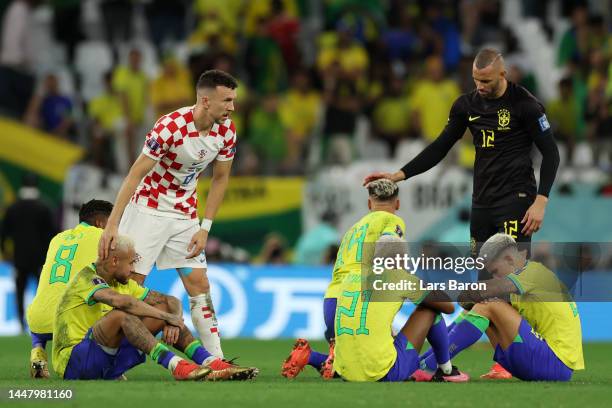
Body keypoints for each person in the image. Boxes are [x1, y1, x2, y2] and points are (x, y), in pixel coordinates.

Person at [364, 48, 562, 377]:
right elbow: (441, 146)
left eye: (486, 81)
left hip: (517, 198)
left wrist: (541, 200)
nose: (480, 86)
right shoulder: (466, 106)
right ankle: (503, 361)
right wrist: (400, 174)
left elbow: (551, 153)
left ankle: (507, 358)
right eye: (475, 80)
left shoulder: (525, 104)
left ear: (503, 75)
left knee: (509, 282)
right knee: (482, 286)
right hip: (481, 204)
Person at [99, 69, 238, 359]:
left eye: (233, 100)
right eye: (226, 101)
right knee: (129, 286)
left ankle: (217, 360)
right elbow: (136, 173)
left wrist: (205, 228)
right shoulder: (170, 126)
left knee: (200, 285)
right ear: (205, 100)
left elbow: (220, 179)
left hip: (185, 216)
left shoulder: (227, 131)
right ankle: (103, 355)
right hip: (147, 210)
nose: (232, 107)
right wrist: (113, 224)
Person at [281, 179, 467, 382]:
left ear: (369, 204)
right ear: (397, 204)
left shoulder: (353, 229)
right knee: (423, 314)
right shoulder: (392, 222)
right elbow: (388, 247)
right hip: (368, 293)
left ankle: (315, 357)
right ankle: (445, 369)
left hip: (336, 298)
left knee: (357, 351)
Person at [53, 234, 257, 381]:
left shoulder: (122, 282)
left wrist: (173, 320)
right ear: (114, 260)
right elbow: (122, 303)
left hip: (104, 361)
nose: (134, 269)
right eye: (131, 263)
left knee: (158, 310)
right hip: (74, 362)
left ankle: (209, 361)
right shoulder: (86, 278)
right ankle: (177, 366)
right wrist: (167, 316)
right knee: (122, 315)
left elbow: (170, 300)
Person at [419, 233, 584, 381]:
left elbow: (480, 293)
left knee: (489, 304)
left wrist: (470, 294)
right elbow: (472, 299)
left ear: (509, 259)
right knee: (482, 306)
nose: (494, 276)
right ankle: (423, 362)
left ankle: (430, 365)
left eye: (496, 271)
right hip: (545, 361)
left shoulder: (534, 273)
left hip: (555, 364)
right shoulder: (525, 282)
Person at [27, 199, 113, 378]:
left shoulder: (57, 238)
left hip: (37, 320)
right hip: (69, 325)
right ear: (100, 223)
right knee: (112, 305)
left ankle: (38, 353)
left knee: (46, 305)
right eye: (112, 223)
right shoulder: (101, 238)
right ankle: (112, 368)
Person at [0, 173, 56, 334]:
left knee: (20, 290)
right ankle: (44, 324)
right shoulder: (44, 207)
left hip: (19, 258)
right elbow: (52, 235)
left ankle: (21, 325)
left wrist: (5, 253)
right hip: (41, 259)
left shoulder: (13, 208)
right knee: (43, 291)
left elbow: (4, 233)